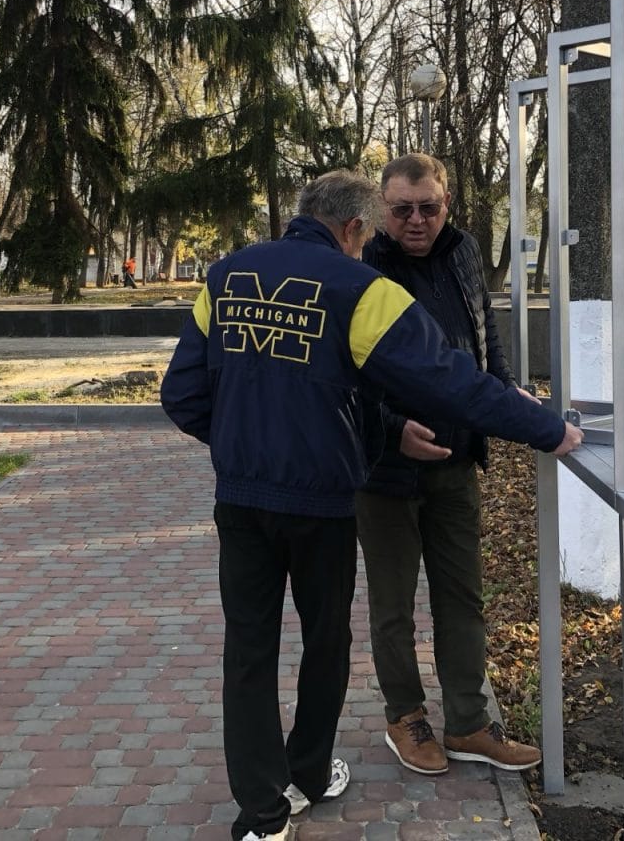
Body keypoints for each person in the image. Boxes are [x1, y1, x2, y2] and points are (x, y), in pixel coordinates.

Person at [161, 170, 582, 841]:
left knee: (248, 650)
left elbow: (182, 397)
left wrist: (248, 440)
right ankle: (306, 773)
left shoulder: (226, 276)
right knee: (326, 642)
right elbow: (450, 381)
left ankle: (262, 818)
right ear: (356, 228)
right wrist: (548, 429)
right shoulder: (358, 290)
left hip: (240, 502)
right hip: (323, 504)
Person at [358, 153, 542, 776]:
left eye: (429, 207)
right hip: (385, 471)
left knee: (462, 598)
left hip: (456, 462)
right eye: (403, 209)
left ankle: (468, 722)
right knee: (393, 604)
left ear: (447, 204)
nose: (416, 220)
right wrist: (389, 430)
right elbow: (341, 373)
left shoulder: (462, 253)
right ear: (382, 209)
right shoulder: (360, 267)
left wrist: (506, 389)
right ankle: (405, 717)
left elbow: (484, 331)